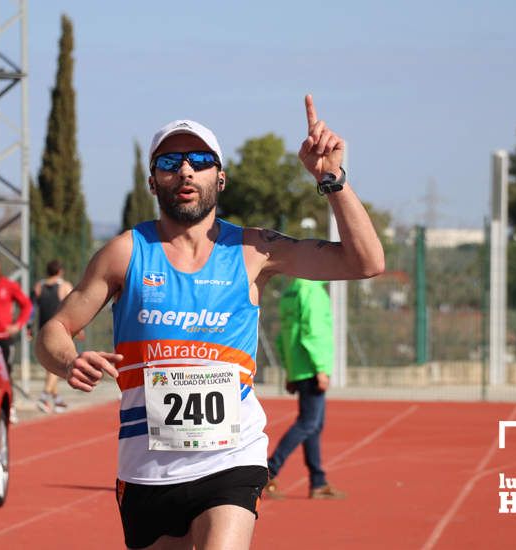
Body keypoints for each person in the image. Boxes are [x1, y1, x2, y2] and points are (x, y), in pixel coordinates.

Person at [35, 95, 384, 550]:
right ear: (152, 180)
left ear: (219, 177)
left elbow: (366, 262)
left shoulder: (254, 251)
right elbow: (54, 330)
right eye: (170, 161)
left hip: (232, 458)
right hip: (147, 467)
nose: (185, 170)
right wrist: (67, 362)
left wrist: (331, 180)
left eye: (199, 160)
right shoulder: (125, 252)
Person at [263, 278, 345, 500]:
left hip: (298, 365)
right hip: (310, 365)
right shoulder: (313, 292)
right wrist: (321, 368)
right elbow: (313, 332)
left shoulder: (290, 292)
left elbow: (284, 335)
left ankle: (318, 481)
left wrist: (289, 369)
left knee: (314, 425)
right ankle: (269, 471)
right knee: (308, 423)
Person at [32, 259, 83, 414]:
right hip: (60, 331)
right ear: (60, 271)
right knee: (59, 365)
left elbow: (31, 308)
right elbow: (73, 307)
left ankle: (57, 400)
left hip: (43, 330)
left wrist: (29, 327)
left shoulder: (38, 286)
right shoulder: (65, 286)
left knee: (50, 365)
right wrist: (79, 327)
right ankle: (44, 395)